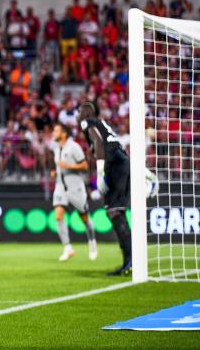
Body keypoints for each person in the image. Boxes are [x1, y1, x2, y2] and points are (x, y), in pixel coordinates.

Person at [77, 102, 131, 275]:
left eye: (80, 111)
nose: (78, 114)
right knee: (117, 212)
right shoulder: (102, 124)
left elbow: (98, 141)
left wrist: (100, 173)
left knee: (114, 212)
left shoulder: (87, 122)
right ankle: (130, 261)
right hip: (121, 163)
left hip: (115, 166)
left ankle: (130, 262)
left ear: (87, 112)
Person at [50, 123, 97, 262]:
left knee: (84, 217)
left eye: (55, 130)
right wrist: (55, 173)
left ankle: (92, 241)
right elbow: (59, 167)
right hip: (60, 186)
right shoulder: (56, 148)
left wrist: (68, 166)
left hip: (75, 186)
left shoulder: (74, 147)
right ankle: (68, 248)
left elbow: (84, 166)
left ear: (64, 134)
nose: (53, 132)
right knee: (58, 215)